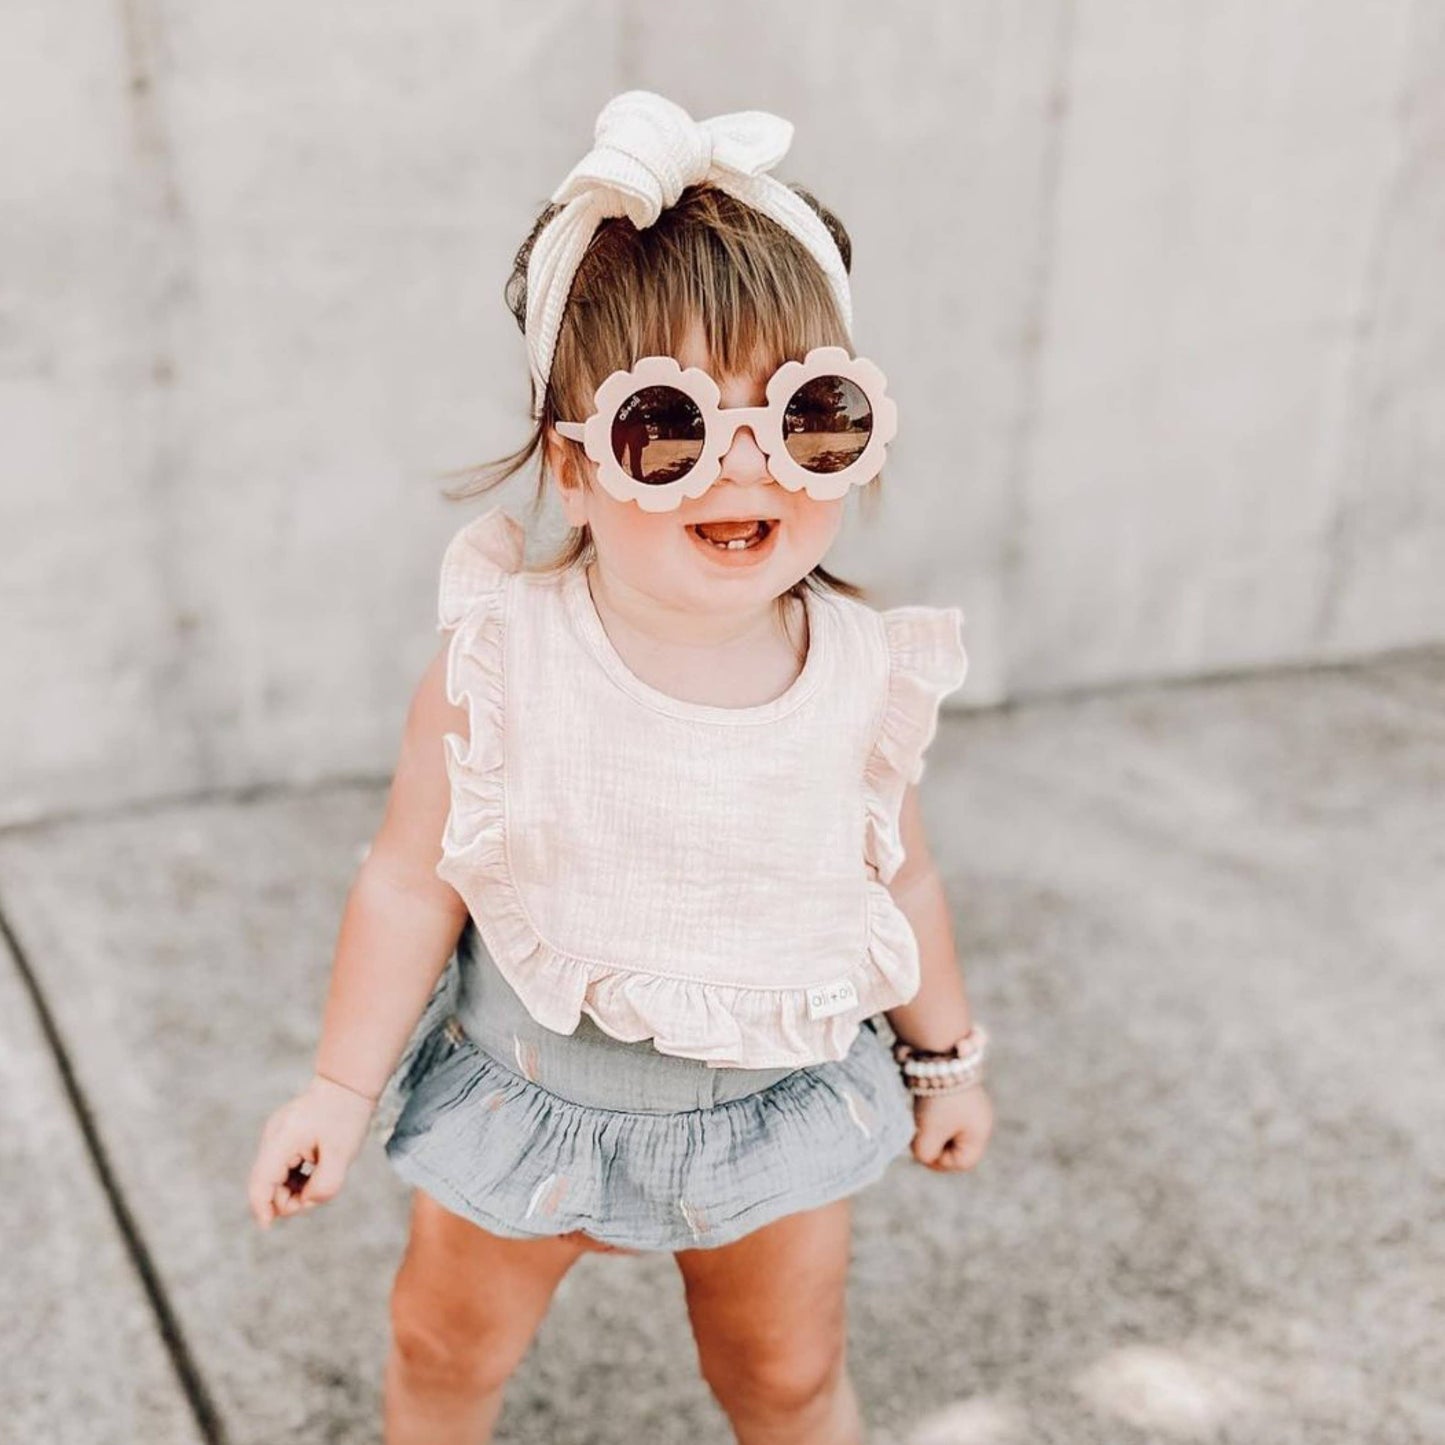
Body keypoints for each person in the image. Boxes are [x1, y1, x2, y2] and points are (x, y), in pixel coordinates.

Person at [246, 90, 994, 1445]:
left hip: (773, 1112)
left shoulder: (856, 672)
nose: (746, 463)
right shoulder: (504, 660)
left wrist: (943, 1060)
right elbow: (414, 883)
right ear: (572, 467)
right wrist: (338, 1088)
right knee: (442, 1344)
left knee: (782, 1375)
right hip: (529, 1102)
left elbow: (903, 876)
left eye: (807, 412)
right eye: (670, 429)